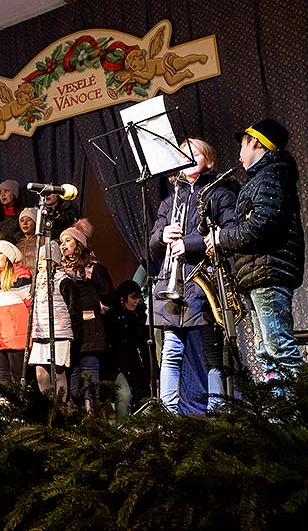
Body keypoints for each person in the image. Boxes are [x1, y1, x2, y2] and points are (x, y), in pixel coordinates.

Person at [204, 119, 305, 380]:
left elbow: (261, 226)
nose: (239, 152)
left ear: (256, 142)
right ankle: (280, 416)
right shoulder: (265, 177)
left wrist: (221, 238)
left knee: (279, 351)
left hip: (268, 272)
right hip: (261, 273)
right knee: (266, 353)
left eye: (242, 144)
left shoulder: (270, 176)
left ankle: (302, 415)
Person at [150, 138, 237, 414]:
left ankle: (216, 410)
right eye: (183, 154)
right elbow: (152, 245)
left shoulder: (219, 193)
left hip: (205, 282)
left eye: (194, 153)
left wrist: (190, 243)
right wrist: (161, 237)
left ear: (208, 160)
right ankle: (170, 413)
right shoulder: (169, 200)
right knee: (171, 351)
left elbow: (230, 230)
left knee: (213, 351)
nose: (187, 157)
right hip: (173, 282)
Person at [59, 219, 113, 412]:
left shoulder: (93, 268)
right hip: (68, 328)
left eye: (67, 240)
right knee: (71, 371)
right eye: (61, 242)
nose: (63, 245)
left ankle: (92, 414)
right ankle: (72, 414)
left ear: (79, 243)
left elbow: (108, 296)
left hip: (90, 329)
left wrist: (94, 311)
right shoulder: (59, 271)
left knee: (89, 371)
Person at [28, 241, 78, 401]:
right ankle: (48, 407)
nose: (41, 262)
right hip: (40, 332)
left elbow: (74, 308)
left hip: (59, 332)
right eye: (39, 259)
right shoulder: (36, 282)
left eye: (44, 259)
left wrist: (74, 332)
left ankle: (62, 407)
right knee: (40, 373)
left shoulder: (63, 280)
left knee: (58, 371)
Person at [0, 240, 33, 395]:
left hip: (15, 335)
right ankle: (5, 410)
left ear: (9, 256)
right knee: (3, 377)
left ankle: (20, 410)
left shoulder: (21, 274)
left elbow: (30, 305)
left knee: (17, 377)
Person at [103, 280, 150, 420]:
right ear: (123, 297)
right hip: (114, 366)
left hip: (134, 365)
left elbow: (146, 347)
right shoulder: (110, 317)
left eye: (138, 298)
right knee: (124, 395)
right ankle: (121, 432)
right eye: (133, 297)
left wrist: (154, 371)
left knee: (139, 400)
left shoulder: (140, 318)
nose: (136, 301)